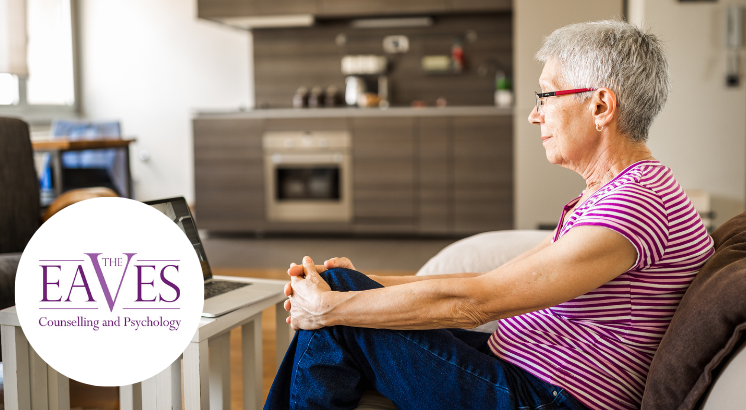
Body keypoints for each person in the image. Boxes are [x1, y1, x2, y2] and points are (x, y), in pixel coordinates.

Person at [264, 20, 715, 410]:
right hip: (522, 371)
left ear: (600, 106)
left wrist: (330, 306)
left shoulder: (636, 204)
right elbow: (501, 276)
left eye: (547, 95)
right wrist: (367, 283)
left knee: (338, 304)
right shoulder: (613, 192)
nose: (535, 116)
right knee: (343, 291)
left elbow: (477, 302)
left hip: (545, 398)